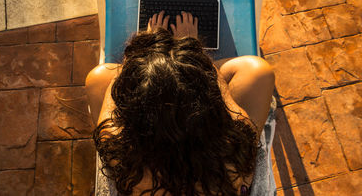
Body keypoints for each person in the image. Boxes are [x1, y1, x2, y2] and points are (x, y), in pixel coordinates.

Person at [85, 11, 275, 195]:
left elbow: (113, 86)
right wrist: (191, 53)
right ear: (208, 110)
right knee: (258, 71)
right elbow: (217, 88)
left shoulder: (122, 156)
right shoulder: (233, 155)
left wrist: (144, 61)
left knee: (99, 77)